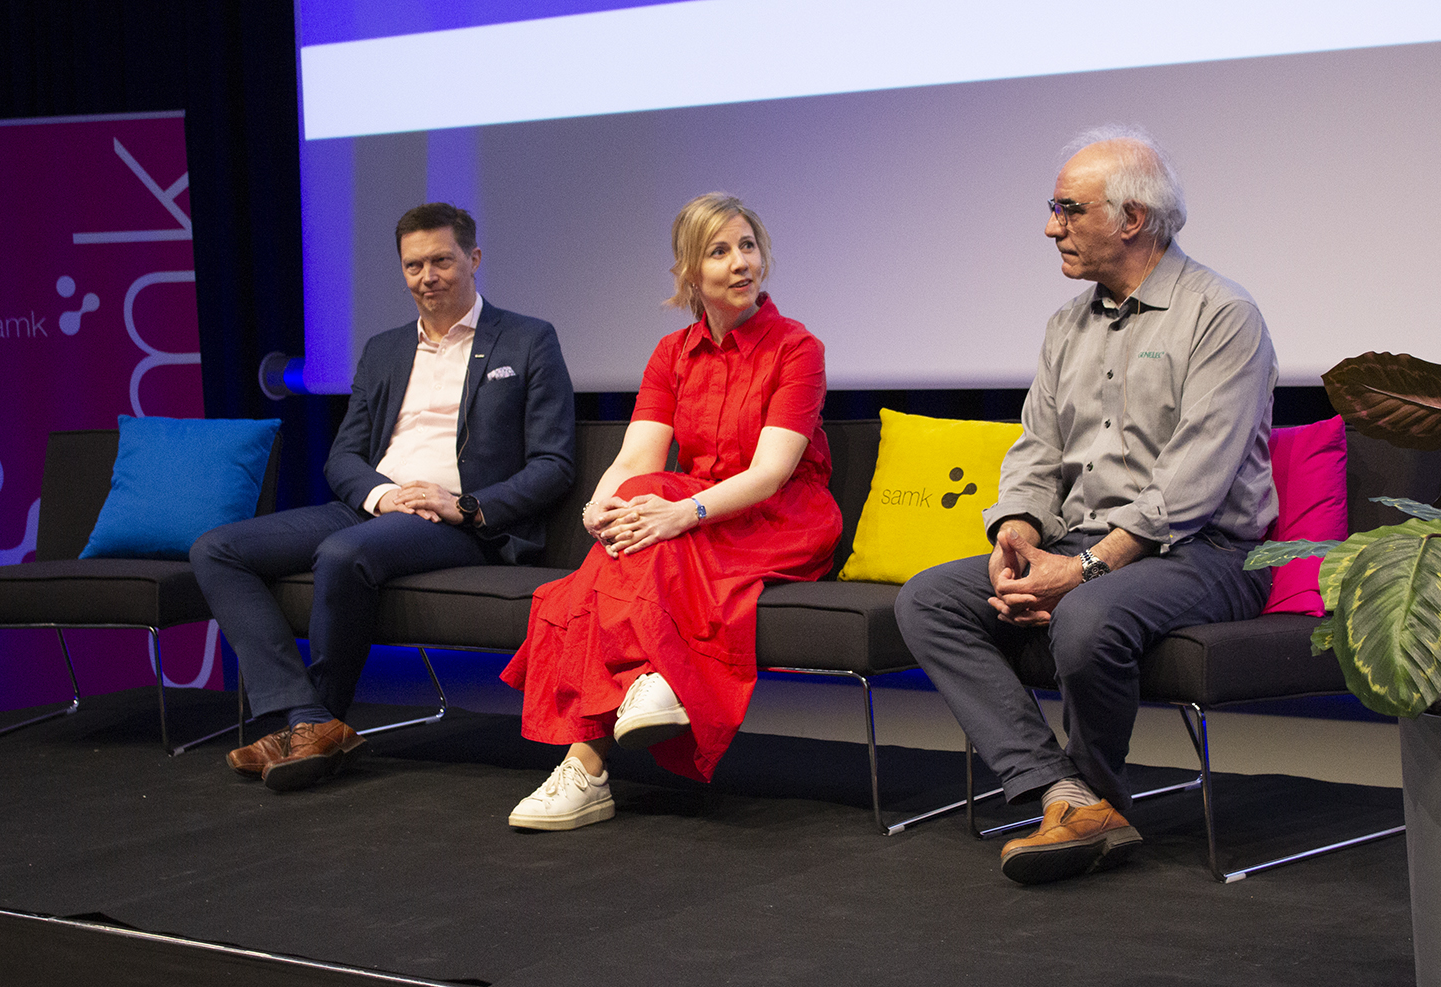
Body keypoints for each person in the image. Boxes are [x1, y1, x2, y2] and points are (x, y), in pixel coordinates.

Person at [894, 127, 1278, 884]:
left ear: (1131, 219)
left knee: (1085, 613)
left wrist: (1082, 570)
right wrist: (1016, 535)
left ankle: (1097, 794)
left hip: (1209, 551)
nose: (1050, 227)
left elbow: (1194, 480)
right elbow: (1036, 449)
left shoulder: (1221, 314)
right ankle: (1060, 793)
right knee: (927, 599)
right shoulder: (1064, 325)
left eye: (1067, 208)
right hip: (1083, 539)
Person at [192, 203, 575, 792]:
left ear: (473, 259)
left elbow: (554, 464)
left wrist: (466, 506)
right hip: (376, 508)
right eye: (414, 265)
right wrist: (382, 496)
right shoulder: (384, 349)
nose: (428, 277)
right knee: (217, 549)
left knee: (343, 556)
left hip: (461, 522)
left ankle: (310, 725)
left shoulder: (526, 340)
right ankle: (307, 716)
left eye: (442, 261)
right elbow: (343, 456)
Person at [499, 192, 841, 831]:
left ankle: (599, 752)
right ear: (689, 271)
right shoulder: (671, 352)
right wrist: (602, 505)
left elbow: (769, 475)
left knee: (645, 540)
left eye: (748, 246)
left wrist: (680, 514)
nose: (741, 263)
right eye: (719, 252)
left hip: (778, 515)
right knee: (635, 505)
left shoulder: (798, 347)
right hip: (699, 509)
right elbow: (635, 456)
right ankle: (644, 684)